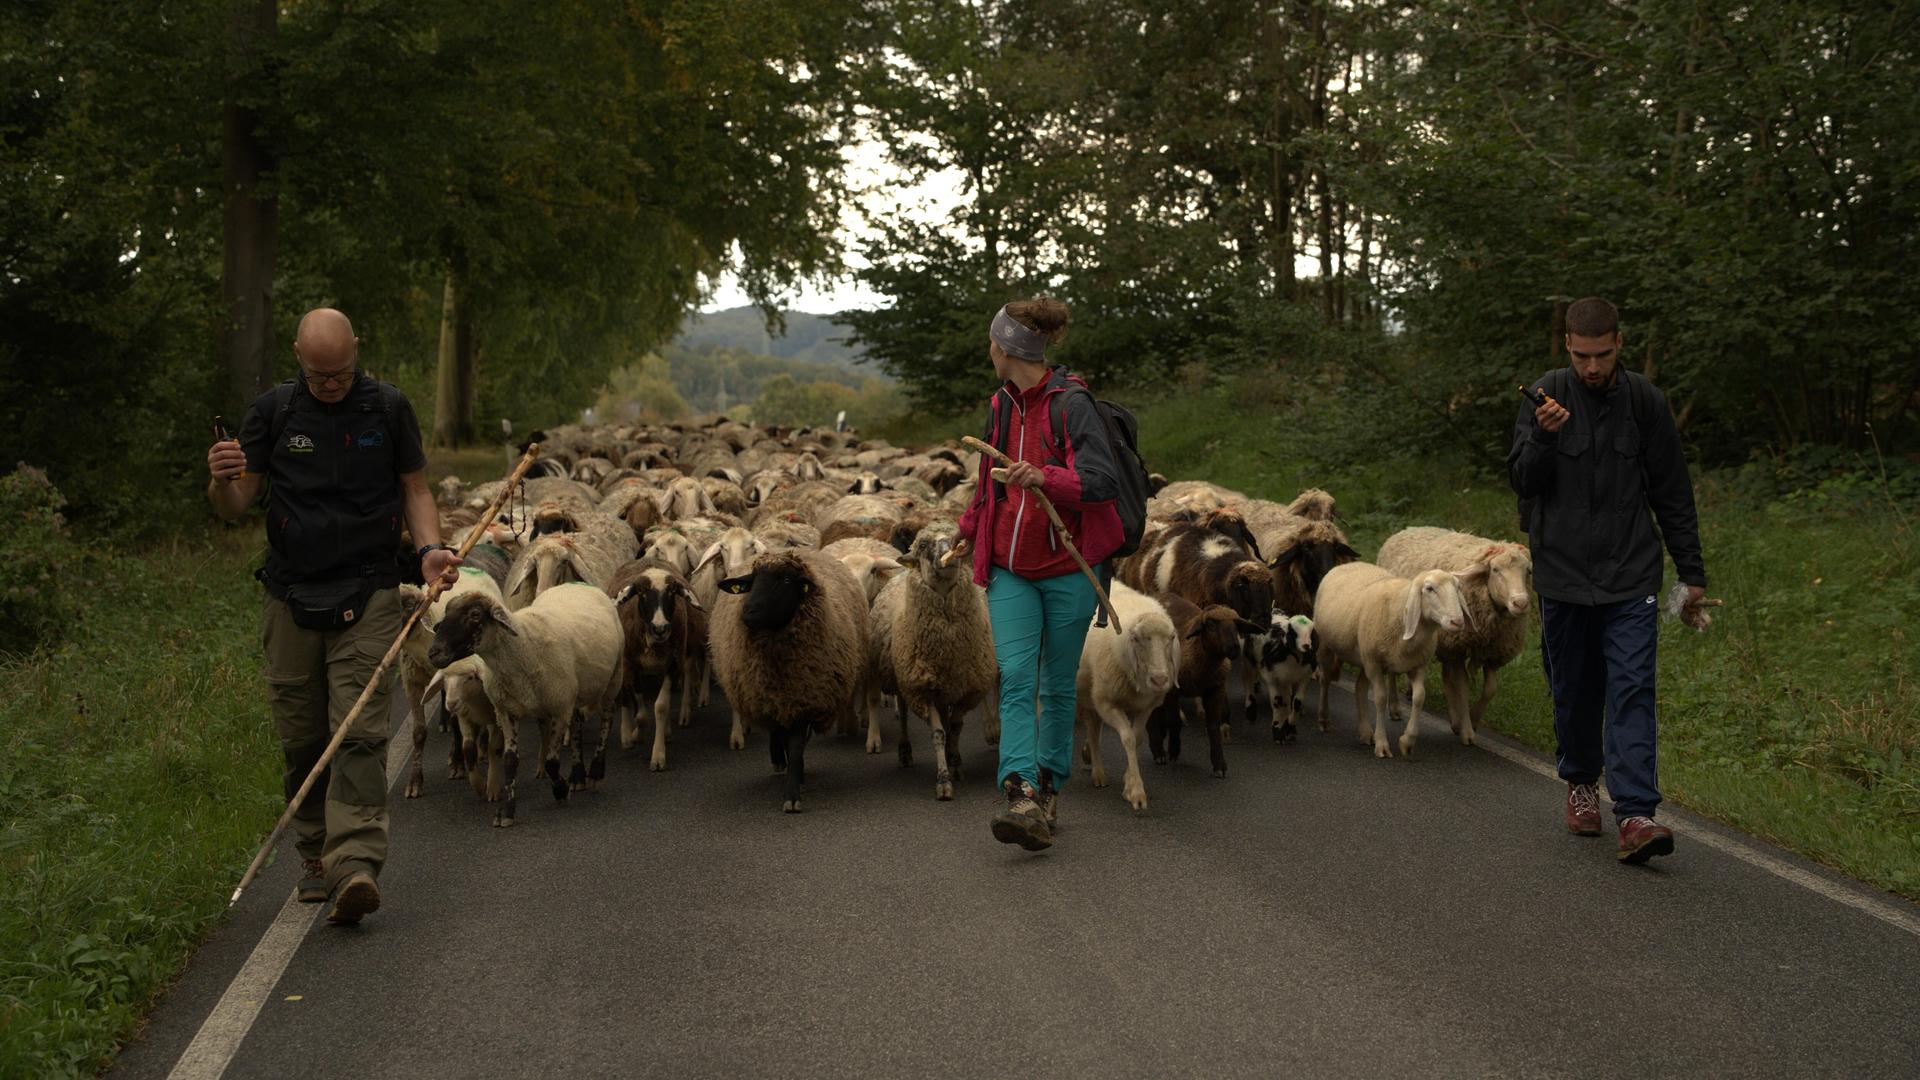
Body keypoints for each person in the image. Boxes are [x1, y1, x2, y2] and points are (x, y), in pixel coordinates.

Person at [206, 308, 459, 923]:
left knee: (359, 730)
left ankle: (355, 865)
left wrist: (427, 550)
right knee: (302, 738)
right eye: (320, 376)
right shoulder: (272, 413)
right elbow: (236, 505)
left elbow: (416, 488)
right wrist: (222, 480)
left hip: (369, 588)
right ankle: (316, 854)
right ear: (298, 357)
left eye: (341, 373)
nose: (332, 385)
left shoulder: (388, 408)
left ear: (357, 352)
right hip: (290, 593)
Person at [1509, 296, 1710, 865]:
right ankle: (1579, 781)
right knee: (1574, 692)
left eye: (1600, 355)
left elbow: (1673, 492)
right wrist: (1544, 437)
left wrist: (1690, 573)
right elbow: (1522, 480)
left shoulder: (1646, 403)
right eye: (1580, 357)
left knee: (1631, 689)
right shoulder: (1545, 397)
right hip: (1563, 574)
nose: (1591, 368)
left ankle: (1637, 815)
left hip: (1631, 575)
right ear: (1567, 347)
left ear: (1619, 342)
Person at [953, 298, 1124, 851]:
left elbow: (1101, 481)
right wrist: (966, 530)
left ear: (1008, 348)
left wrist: (1045, 478)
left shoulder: (1072, 406)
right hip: (1010, 567)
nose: (988, 351)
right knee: (1017, 679)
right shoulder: (1000, 407)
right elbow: (987, 483)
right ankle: (1020, 792)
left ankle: (1049, 786)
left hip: (1068, 566)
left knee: (1056, 684)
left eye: (992, 343)